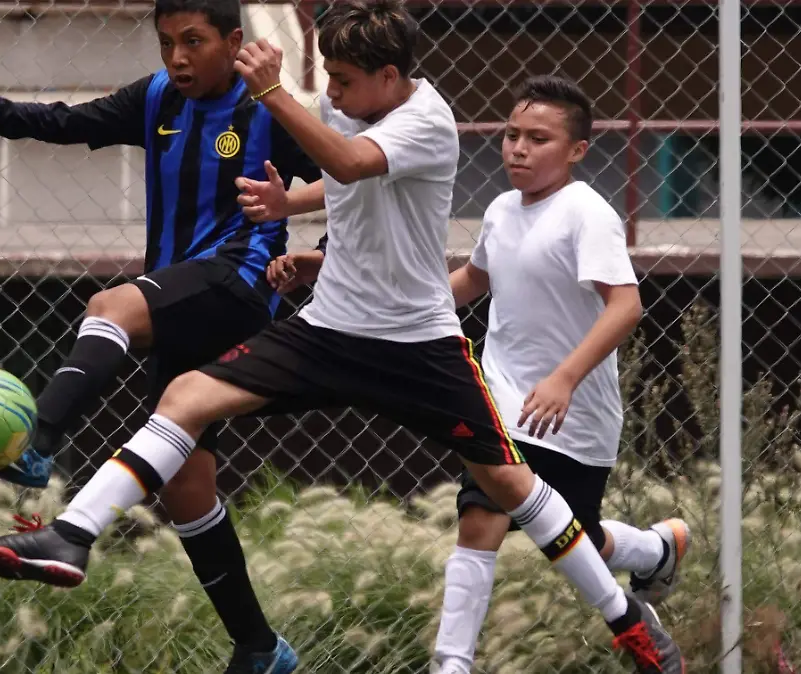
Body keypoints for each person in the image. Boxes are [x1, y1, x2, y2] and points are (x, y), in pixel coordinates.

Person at [0, 2, 685, 672]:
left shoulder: (427, 121)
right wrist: (291, 206)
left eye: (342, 80)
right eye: (326, 78)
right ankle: (73, 534)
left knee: (508, 485)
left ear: (392, 78)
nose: (331, 93)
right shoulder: (359, 106)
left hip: (415, 345)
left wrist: (276, 93)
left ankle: (626, 618)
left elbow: (350, 162)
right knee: (186, 395)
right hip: (329, 329)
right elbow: (341, 181)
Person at [258, 74, 694, 674]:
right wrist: (334, 277)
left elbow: (627, 305)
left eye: (538, 139)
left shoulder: (586, 213)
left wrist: (565, 378)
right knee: (482, 514)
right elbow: (470, 281)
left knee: (574, 537)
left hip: (573, 412)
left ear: (575, 151)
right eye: (512, 134)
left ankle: (653, 548)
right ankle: (452, 663)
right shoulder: (501, 209)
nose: (517, 148)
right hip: (502, 398)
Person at [0, 0, 321, 671]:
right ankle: (260, 647)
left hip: (238, 286)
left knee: (112, 305)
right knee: (185, 489)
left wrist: (314, 252)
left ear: (234, 42)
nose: (177, 57)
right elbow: (70, 123)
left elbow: (344, 177)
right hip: (183, 296)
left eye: (194, 42)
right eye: (166, 43)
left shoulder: (268, 110)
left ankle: (39, 442)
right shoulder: (156, 98)